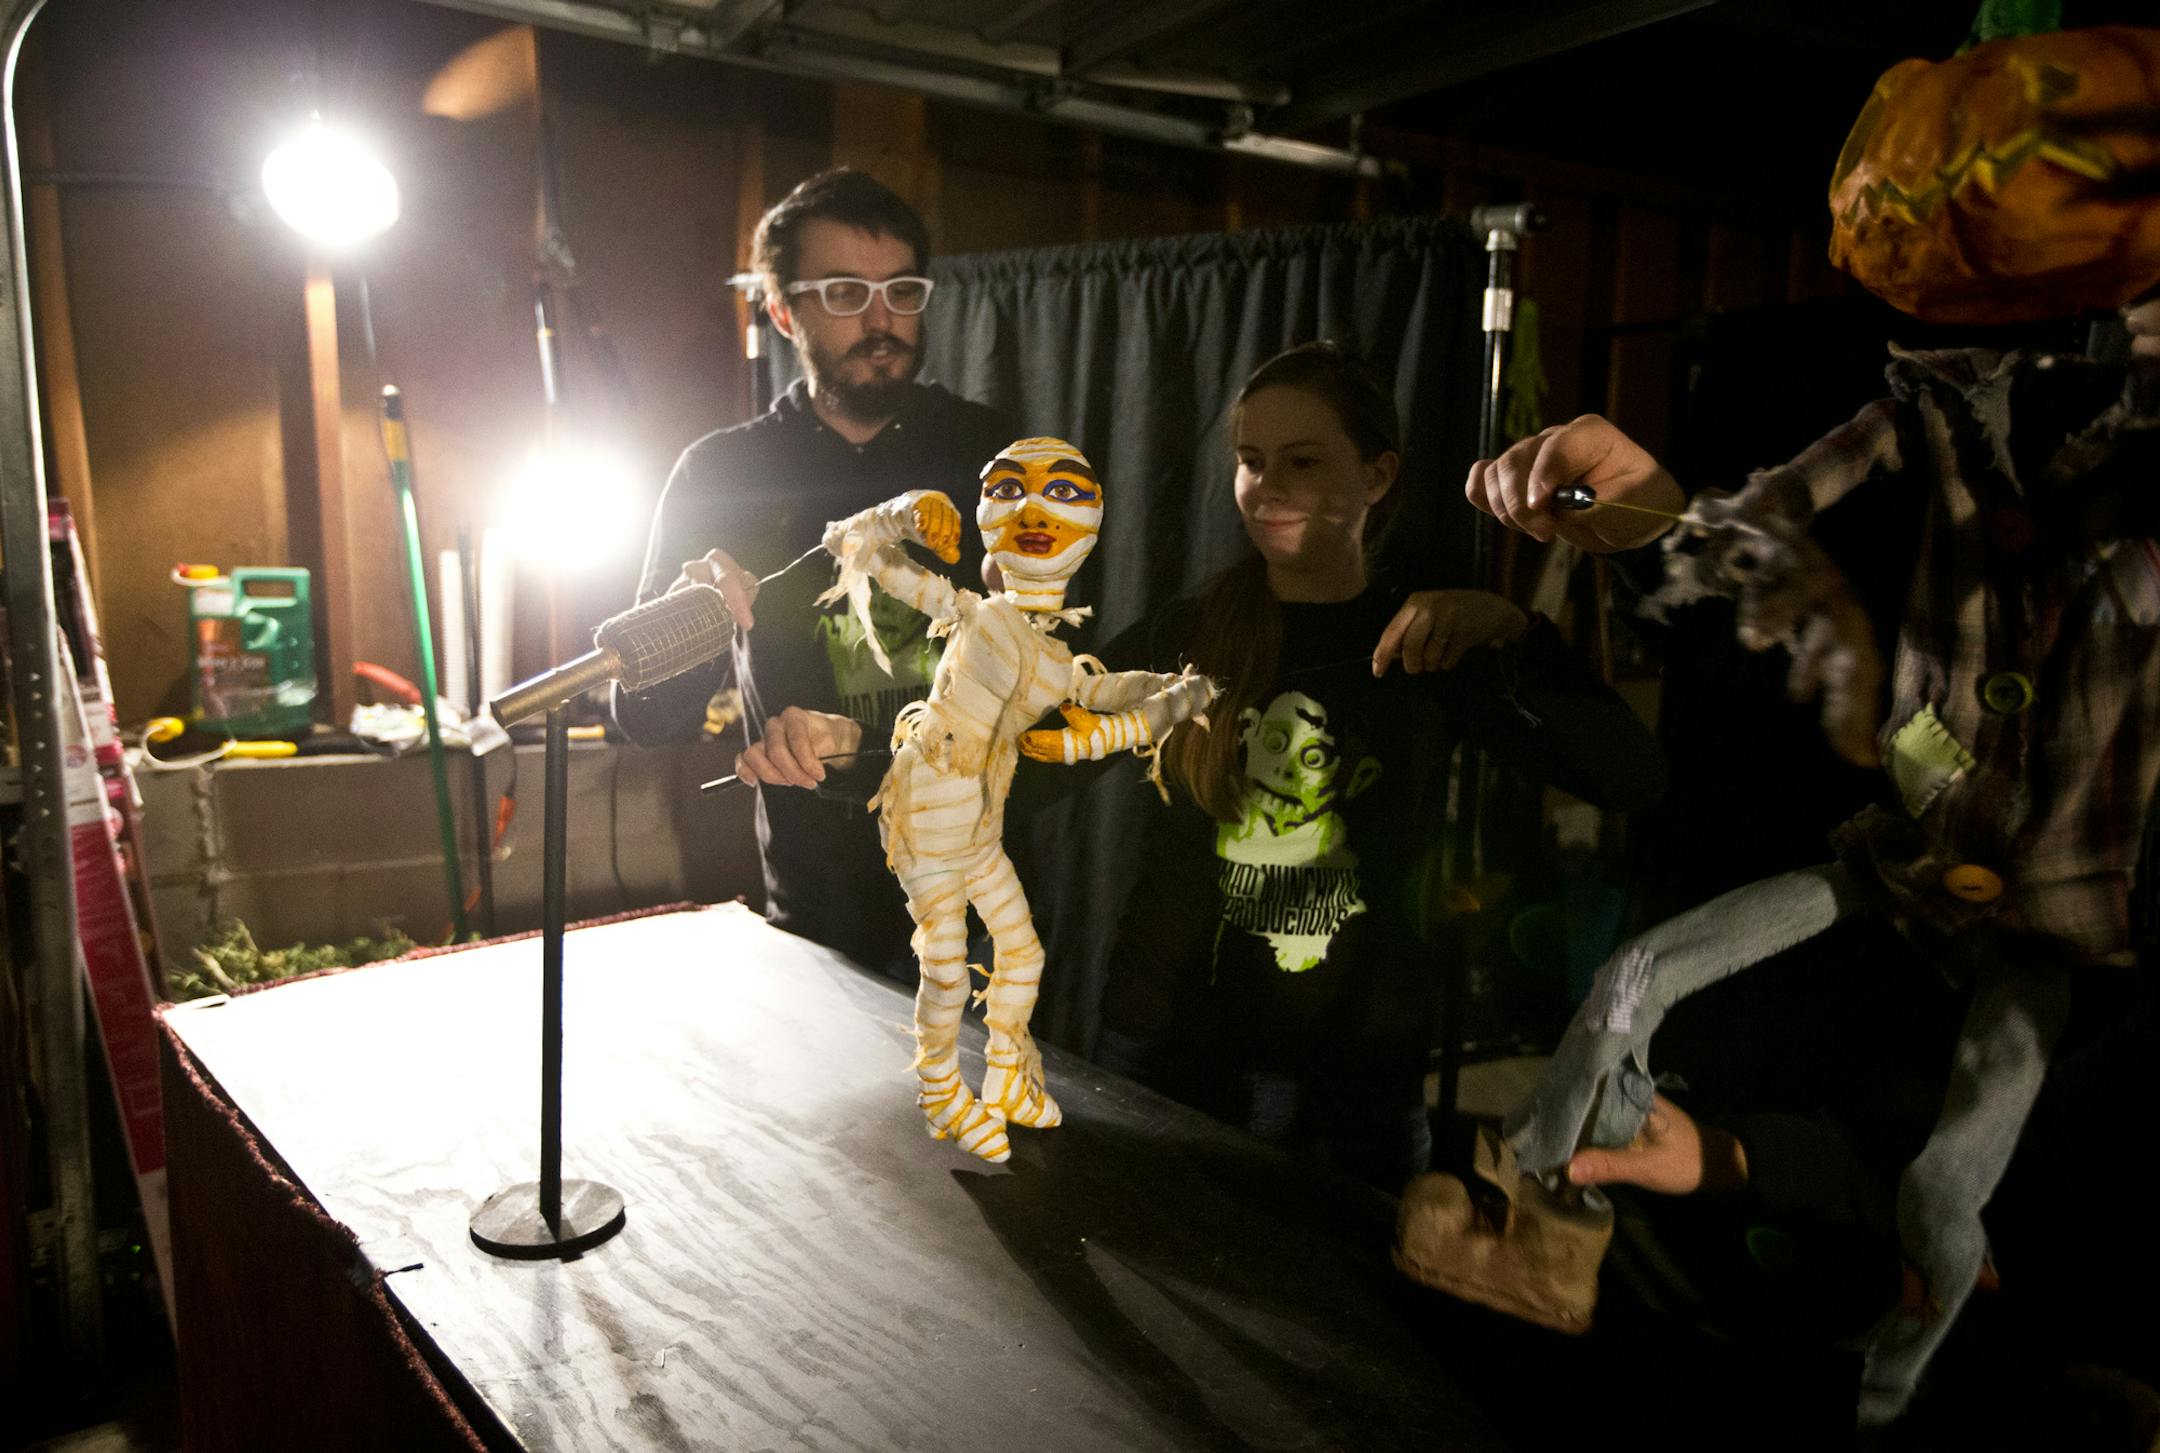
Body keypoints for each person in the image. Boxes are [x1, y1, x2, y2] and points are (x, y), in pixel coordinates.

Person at [1085, 343, 1666, 1191]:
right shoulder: (1188, 631)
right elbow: (1034, 752)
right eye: (1251, 461)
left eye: (1304, 459)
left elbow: (1633, 777)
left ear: (1378, 476)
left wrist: (1512, 634)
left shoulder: (1433, 636)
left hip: (1354, 1077)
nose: (1266, 485)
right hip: (1165, 1045)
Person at [612, 168, 1017, 977]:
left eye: (901, 290)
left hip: (985, 904)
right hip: (810, 910)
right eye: (843, 292)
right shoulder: (723, 474)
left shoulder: (994, 458)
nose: (880, 319)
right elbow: (648, 719)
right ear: (780, 308)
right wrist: (688, 619)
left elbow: (1060, 689)